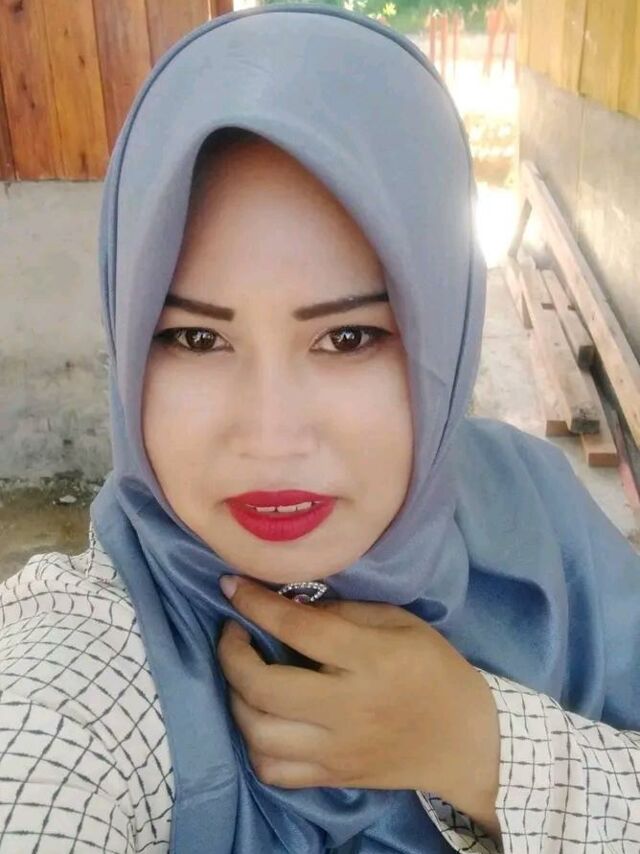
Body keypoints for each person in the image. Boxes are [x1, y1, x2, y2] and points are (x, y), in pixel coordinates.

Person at [1, 4, 639, 852]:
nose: (272, 439)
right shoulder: (81, 671)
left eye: (348, 338)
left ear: (442, 327)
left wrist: (483, 747)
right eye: (196, 339)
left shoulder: (541, 518)